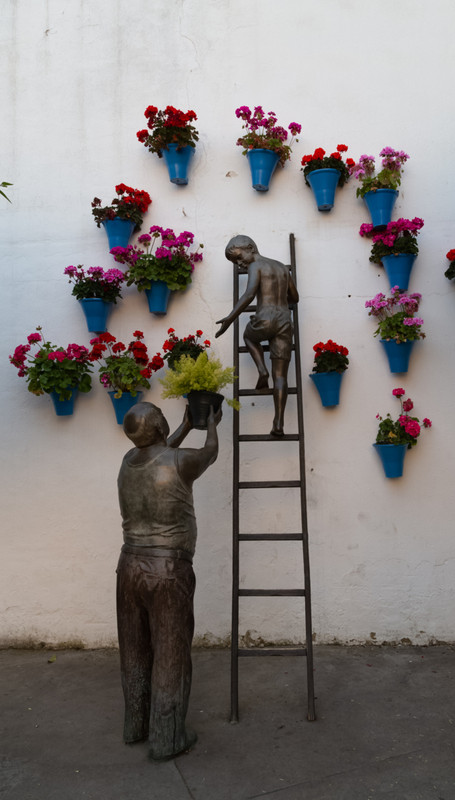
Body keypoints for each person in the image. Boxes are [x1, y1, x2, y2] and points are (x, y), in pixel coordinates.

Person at [116, 401, 220, 761]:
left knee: (135, 649)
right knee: (170, 653)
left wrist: (184, 426)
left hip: (129, 565)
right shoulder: (181, 462)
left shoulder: (128, 461)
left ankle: (136, 725)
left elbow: (159, 452)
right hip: (167, 571)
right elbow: (209, 454)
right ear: (159, 426)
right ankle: (167, 736)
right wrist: (210, 424)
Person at [215, 235, 299, 436]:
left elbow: (249, 294)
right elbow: (294, 297)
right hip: (285, 321)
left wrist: (229, 318)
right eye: (235, 262)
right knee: (281, 376)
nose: (239, 263)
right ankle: (278, 423)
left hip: (265, 318)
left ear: (250, 248)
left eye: (238, 257)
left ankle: (262, 370)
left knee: (249, 337)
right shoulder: (281, 267)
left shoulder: (255, 266)